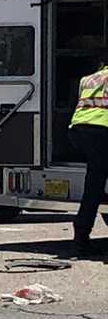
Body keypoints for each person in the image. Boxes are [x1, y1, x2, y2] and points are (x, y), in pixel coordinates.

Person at [67, 59, 108, 257]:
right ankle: (81, 241)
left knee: (94, 185)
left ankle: (81, 240)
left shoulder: (88, 78)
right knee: (95, 186)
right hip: (102, 131)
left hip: (79, 130)